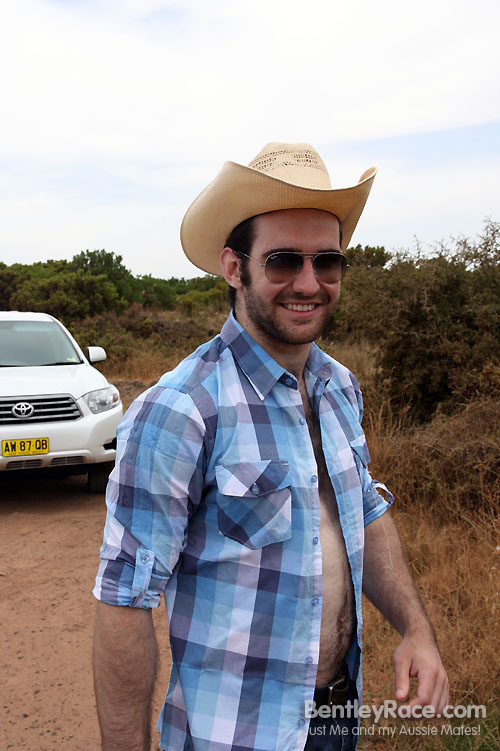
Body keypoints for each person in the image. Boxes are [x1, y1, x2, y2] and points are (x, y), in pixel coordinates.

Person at [93, 142, 448, 751]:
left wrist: (416, 629)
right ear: (235, 268)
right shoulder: (181, 409)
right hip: (236, 736)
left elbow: (363, 511)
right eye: (283, 261)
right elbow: (125, 599)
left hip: (337, 720)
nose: (309, 283)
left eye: (328, 262)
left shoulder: (339, 387)